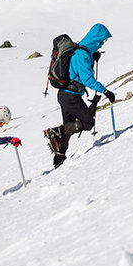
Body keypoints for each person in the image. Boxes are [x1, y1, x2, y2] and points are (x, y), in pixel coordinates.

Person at [44, 23, 113, 168]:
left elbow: (77, 71)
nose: (102, 44)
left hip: (65, 95)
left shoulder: (82, 51)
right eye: (102, 41)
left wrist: (93, 56)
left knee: (69, 127)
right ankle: (55, 132)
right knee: (88, 123)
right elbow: (87, 79)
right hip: (71, 96)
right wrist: (105, 91)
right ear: (96, 39)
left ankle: (59, 158)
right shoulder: (82, 54)